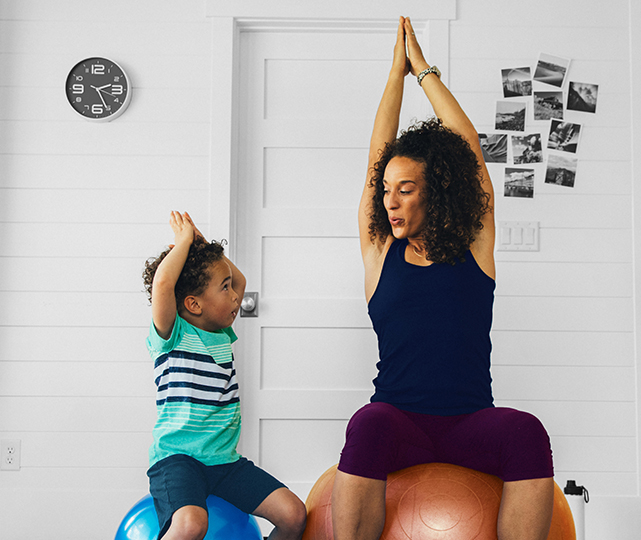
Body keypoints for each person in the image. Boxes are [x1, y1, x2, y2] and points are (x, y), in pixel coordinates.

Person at [331, 17, 555, 540]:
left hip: (470, 422)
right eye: (387, 190)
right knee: (367, 422)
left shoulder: (474, 250)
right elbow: (373, 163)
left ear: (435, 192)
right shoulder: (379, 253)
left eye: (405, 188)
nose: (390, 200)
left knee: (527, 430)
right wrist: (393, 76)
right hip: (399, 422)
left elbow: (469, 147)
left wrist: (422, 71)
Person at [142, 211, 306, 540]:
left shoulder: (221, 332)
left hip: (225, 462)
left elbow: (240, 278)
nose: (236, 296)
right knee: (191, 525)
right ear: (193, 304)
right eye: (225, 288)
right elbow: (164, 284)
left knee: (294, 514)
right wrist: (186, 242)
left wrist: (204, 246)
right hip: (178, 461)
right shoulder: (172, 333)